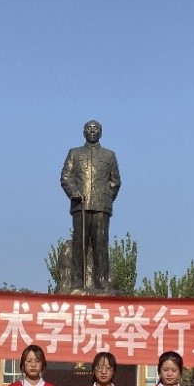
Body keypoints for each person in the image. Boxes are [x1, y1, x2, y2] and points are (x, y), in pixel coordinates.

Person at [59, 119, 121, 292]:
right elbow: (66, 177)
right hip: (81, 205)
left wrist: (106, 197)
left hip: (102, 206)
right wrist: (73, 192)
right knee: (79, 243)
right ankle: (77, 281)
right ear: (84, 132)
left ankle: (101, 280)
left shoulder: (109, 155)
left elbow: (115, 181)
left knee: (101, 243)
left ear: (101, 132)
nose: (92, 131)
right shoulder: (74, 153)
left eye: (95, 129)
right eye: (89, 128)